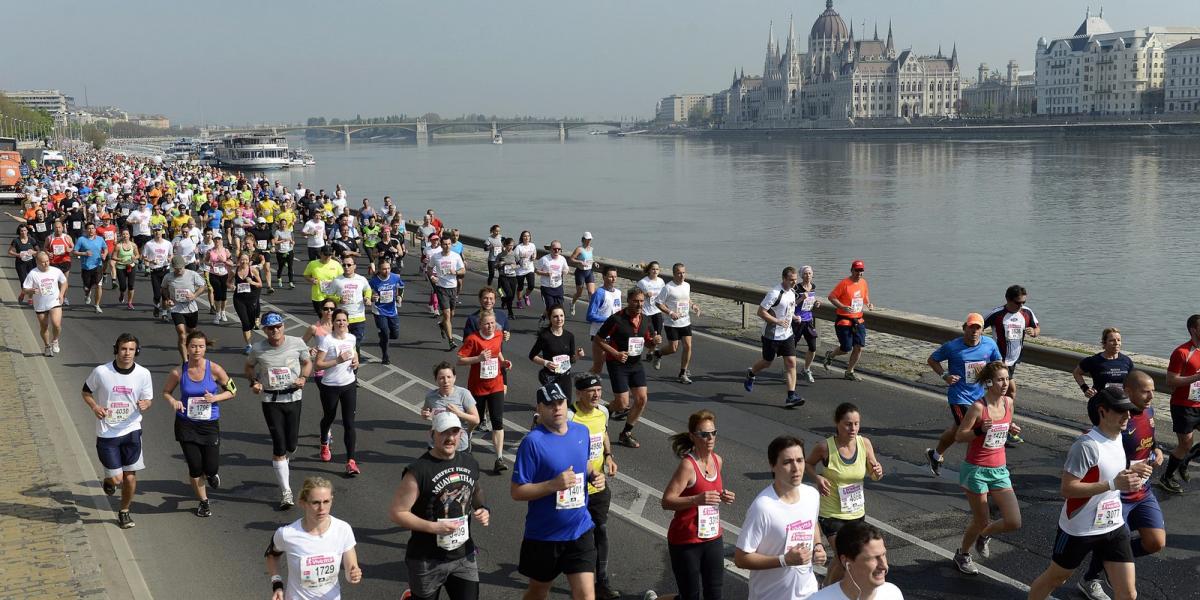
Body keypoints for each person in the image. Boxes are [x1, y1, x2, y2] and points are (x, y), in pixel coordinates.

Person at [1026, 388, 1147, 600]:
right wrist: (1113, 484)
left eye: (1129, 411)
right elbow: (1067, 489)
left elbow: (1108, 472)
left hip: (1113, 525)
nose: (1128, 416)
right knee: (1056, 578)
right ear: (1102, 411)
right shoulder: (1086, 446)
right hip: (1080, 529)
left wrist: (1131, 473)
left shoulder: (1119, 437)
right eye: (1121, 411)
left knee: (1128, 593)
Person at [511, 382, 606, 600]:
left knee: (586, 595)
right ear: (539, 408)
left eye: (561, 402)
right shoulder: (533, 443)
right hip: (545, 536)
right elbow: (517, 491)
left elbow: (585, 463)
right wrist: (553, 485)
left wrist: (594, 475)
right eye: (550, 404)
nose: (557, 408)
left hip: (580, 529)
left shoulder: (581, 432)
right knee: (538, 592)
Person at [1078, 371, 1166, 600]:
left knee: (1155, 542)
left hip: (1143, 491)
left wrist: (1157, 450)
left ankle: (1112, 565)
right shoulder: (1116, 421)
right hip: (1116, 495)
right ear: (1128, 391)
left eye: (1153, 391)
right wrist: (1127, 470)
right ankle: (1091, 578)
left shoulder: (1149, 412)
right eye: (1145, 391)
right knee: (1116, 544)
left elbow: (1150, 440)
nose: (1151, 397)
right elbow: (1101, 458)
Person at [389, 413, 490, 600]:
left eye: (455, 432)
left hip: (463, 555)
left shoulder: (469, 462)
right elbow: (397, 513)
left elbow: (475, 490)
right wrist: (433, 527)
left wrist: (482, 508)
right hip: (427, 559)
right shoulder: (418, 470)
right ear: (432, 434)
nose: (450, 438)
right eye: (444, 432)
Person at [649, 409, 735, 600]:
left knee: (715, 593)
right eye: (704, 434)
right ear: (693, 437)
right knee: (689, 596)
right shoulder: (688, 465)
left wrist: (723, 495)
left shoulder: (717, 460)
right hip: (686, 540)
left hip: (713, 536)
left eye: (713, 433)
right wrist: (696, 500)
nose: (710, 438)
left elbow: (710, 490)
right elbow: (667, 501)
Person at [733, 436, 827, 600]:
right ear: (772, 465)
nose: (796, 468)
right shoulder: (763, 507)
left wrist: (818, 545)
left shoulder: (811, 495)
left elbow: (812, 523)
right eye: (787, 462)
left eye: (800, 460)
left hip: (808, 593)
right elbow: (741, 559)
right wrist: (784, 560)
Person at [951, 361, 1023, 575]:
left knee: (1014, 521)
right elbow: (959, 436)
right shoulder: (978, 407)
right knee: (981, 519)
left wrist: (1011, 428)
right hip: (976, 470)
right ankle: (962, 554)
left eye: (1007, 379)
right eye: (1000, 379)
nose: (1004, 383)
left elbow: (1003, 428)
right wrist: (979, 430)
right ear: (990, 382)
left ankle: (984, 535)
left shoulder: (1008, 403)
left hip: (999, 469)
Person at [804, 403, 883, 586]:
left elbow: (873, 471)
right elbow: (808, 464)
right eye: (848, 424)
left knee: (843, 557)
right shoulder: (825, 447)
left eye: (856, 424)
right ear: (837, 423)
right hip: (831, 514)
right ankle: (830, 593)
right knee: (847, 556)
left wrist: (877, 471)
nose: (853, 428)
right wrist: (817, 478)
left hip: (856, 511)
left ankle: (826, 587)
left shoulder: (864, 443)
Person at [82, 333, 154, 529]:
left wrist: (146, 404)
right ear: (116, 349)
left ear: (137, 352)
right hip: (108, 432)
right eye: (123, 349)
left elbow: (148, 399)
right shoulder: (101, 372)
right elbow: (86, 392)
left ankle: (124, 511)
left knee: (130, 476)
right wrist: (95, 407)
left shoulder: (143, 374)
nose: (127, 353)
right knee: (116, 478)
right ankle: (109, 479)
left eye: (131, 349)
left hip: (132, 430)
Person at [161, 330, 235, 518]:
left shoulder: (215, 369)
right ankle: (203, 502)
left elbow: (233, 391)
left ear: (205, 348)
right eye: (193, 346)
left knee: (210, 467)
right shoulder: (178, 372)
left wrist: (215, 397)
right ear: (187, 348)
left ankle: (211, 474)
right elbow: (166, 391)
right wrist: (173, 402)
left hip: (209, 424)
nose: (196, 350)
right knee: (195, 468)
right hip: (186, 424)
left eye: (200, 346)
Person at [246, 312, 313, 510]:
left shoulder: (297, 343)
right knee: (279, 446)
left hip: (293, 397)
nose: (275, 330)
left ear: (283, 326)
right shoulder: (258, 349)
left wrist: (303, 378)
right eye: (270, 328)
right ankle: (286, 492)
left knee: (291, 444)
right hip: (271, 400)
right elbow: (249, 367)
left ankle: (286, 457)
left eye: (278, 326)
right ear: (264, 330)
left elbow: (307, 362)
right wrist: (254, 382)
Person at [925, 313, 1002, 476]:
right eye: (971, 327)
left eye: (977, 327)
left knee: (957, 430)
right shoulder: (952, 347)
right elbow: (932, 360)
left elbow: (997, 364)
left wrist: (994, 384)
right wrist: (945, 376)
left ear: (982, 330)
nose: (974, 331)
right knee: (973, 431)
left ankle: (936, 455)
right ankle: (974, 468)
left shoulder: (989, 344)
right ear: (964, 328)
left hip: (979, 396)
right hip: (959, 397)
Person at [569, 374, 622, 600]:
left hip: (598, 486)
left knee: (600, 530)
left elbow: (604, 433)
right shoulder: (570, 416)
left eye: (599, 391)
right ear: (579, 393)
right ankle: (572, 576)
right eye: (591, 391)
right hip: (573, 488)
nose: (596, 395)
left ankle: (601, 580)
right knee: (573, 535)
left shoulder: (603, 412)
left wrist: (609, 456)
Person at [266, 477, 362, 600]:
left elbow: (350, 570)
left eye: (326, 501)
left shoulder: (343, 529)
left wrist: (354, 575)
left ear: (332, 500)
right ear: (303, 503)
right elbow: (272, 555)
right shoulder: (287, 534)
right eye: (315, 502)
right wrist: (277, 584)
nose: (322, 508)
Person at [595, 287, 662, 448]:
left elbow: (648, 342)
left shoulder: (646, 319)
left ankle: (626, 433)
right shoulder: (616, 319)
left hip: (635, 364)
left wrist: (654, 341)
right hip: (617, 363)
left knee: (641, 399)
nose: (639, 304)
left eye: (641, 301)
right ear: (628, 301)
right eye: (636, 301)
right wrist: (616, 353)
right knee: (622, 403)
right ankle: (601, 412)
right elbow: (599, 339)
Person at [457, 311, 511, 472]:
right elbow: (459, 360)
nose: (490, 327)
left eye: (493, 323)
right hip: (477, 387)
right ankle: (467, 438)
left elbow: (497, 352)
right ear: (480, 324)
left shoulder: (498, 335)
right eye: (487, 324)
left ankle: (499, 458)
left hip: (496, 385)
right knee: (475, 420)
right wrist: (478, 359)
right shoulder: (473, 339)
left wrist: (504, 362)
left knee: (497, 421)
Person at [743, 267, 804, 408]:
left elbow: (787, 310)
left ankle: (791, 396)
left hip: (787, 334)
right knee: (767, 362)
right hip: (772, 335)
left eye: (795, 280)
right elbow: (761, 312)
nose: (794, 283)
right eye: (791, 280)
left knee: (791, 363)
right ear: (783, 279)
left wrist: (794, 317)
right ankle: (751, 373)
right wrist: (777, 321)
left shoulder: (792, 292)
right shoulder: (775, 293)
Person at [314, 309, 362, 476]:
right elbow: (318, 364)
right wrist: (337, 361)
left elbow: (354, 353)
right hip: (330, 386)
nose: (341, 323)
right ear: (333, 323)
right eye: (338, 320)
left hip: (349, 384)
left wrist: (356, 360)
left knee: (349, 423)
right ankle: (324, 442)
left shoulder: (351, 337)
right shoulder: (327, 340)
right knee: (329, 417)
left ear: (348, 322)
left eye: (344, 320)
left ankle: (351, 461)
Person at [806, 522, 903, 600]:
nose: (884, 566)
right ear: (846, 561)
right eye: (873, 558)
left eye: (883, 555)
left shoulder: (893, 593)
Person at [1158, 313, 1200, 493]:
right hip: (1183, 406)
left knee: (1187, 447)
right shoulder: (1182, 352)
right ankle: (1166, 477)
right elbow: (1170, 380)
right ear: (1193, 330)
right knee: (1185, 444)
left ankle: (1184, 462)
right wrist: (1197, 376)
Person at [823, 260, 874, 381]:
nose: (859, 273)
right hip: (844, 321)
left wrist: (869, 303)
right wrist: (842, 306)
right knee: (846, 348)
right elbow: (831, 297)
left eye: (861, 270)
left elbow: (864, 296)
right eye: (857, 270)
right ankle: (831, 355)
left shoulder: (863, 282)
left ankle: (850, 371)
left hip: (858, 320)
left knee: (859, 347)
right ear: (851, 270)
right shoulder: (844, 283)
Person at [652, 262, 701, 384]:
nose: (682, 275)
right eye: (679, 273)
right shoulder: (668, 287)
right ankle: (658, 354)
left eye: (683, 273)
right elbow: (658, 303)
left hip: (685, 321)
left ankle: (682, 373)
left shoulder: (687, 285)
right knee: (673, 348)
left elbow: (686, 298)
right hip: (671, 323)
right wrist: (670, 313)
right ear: (674, 274)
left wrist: (693, 305)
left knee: (688, 346)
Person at [1076, 327, 1135, 424]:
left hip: (1120, 405)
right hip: (1100, 405)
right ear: (1104, 343)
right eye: (1112, 340)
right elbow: (1077, 373)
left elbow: (1132, 381)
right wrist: (1085, 388)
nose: (1116, 343)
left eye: (1119, 340)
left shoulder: (1126, 361)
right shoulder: (1094, 361)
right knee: (1102, 435)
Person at [982, 285, 1041, 379]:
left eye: (1024, 302)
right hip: (998, 358)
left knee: (1003, 389)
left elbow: (1037, 328)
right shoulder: (996, 313)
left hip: (1014, 358)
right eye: (1018, 302)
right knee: (1008, 389)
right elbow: (978, 326)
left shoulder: (1027, 312)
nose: (1021, 305)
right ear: (1008, 299)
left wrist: (1034, 332)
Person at [422, 362, 481, 453]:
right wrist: (424, 414)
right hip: (436, 444)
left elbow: (476, 420)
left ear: (454, 378)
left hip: (459, 445)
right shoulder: (430, 396)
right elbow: (425, 411)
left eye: (449, 377)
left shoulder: (463, 394)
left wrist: (459, 413)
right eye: (441, 378)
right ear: (436, 380)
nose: (446, 381)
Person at [162, 255, 208, 362]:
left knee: (192, 333)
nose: (179, 271)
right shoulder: (168, 277)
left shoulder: (192, 274)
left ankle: (192, 351)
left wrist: (194, 295)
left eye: (181, 268)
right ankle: (185, 361)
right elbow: (163, 289)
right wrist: (168, 299)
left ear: (184, 266)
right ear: (173, 267)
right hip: (176, 308)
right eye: (176, 269)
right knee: (182, 334)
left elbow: (203, 286)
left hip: (191, 308)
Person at [530, 305, 586, 389]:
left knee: (566, 402)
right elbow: (532, 356)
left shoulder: (569, 336)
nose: (559, 319)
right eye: (555, 316)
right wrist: (546, 363)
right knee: (555, 402)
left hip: (565, 377)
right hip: (550, 377)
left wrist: (578, 356)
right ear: (550, 318)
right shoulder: (545, 336)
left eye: (561, 315)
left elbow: (571, 360)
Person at [22, 251, 67, 357]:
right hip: (40, 304)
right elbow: (24, 289)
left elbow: (64, 282)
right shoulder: (33, 274)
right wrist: (31, 291)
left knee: (56, 324)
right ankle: (47, 346)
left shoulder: (56, 271)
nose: (46, 264)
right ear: (37, 262)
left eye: (47, 261)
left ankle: (55, 340)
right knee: (44, 327)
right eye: (43, 262)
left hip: (54, 301)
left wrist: (61, 294)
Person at [429, 236, 466, 349]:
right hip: (441, 287)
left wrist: (456, 271)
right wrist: (432, 277)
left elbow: (463, 270)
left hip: (453, 287)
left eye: (449, 244)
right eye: (445, 244)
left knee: (451, 315)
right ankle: (451, 341)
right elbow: (429, 268)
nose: (447, 246)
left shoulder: (455, 256)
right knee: (447, 313)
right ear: (441, 245)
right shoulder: (436, 257)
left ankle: (442, 324)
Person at [330, 256, 373, 356]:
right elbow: (329, 295)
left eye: (349, 265)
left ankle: (354, 367)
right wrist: (339, 299)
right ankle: (344, 364)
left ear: (354, 266)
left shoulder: (361, 279)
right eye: (344, 265)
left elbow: (368, 289)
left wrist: (367, 297)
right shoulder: (337, 280)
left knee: (356, 344)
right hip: (343, 319)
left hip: (358, 318)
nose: (346, 267)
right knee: (344, 344)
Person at [585, 267, 623, 375]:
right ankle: (583, 383)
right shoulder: (599, 293)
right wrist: (609, 320)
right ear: (604, 277)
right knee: (598, 367)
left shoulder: (618, 293)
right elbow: (590, 315)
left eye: (615, 276)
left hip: (614, 335)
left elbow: (618, 312)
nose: (613, 279)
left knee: (617, 364)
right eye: (610, 276)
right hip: (600, 335)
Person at [368, 257, 405, 364]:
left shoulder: (395, 277)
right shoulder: (374, 281)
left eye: (388, 268)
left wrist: (400, 296)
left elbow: (401, 286)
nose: (387, 271)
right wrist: (372, 298)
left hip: (392, 310)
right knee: (385, 333)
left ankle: (383, 339)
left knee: (395, 335)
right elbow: (367, 293)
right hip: (379, 311)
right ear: (379, 269)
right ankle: (385, 356)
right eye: (384, 269)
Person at [230, 252, 264, 354]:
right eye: (242, 259)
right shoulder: (234, 271)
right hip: (239, 299)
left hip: (251, 299)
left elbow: (260, 284)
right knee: (245, 322)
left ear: (249, 260)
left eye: (246, 259)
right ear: (239, 260)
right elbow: (228, 282)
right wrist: (231, 286)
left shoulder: (253, 270)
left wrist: (252, 282)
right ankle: (249, 345)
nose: (244, 261)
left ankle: (250, 331)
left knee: (251, 323)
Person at [793, 266, 821, 384]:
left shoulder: (812, 286)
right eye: (805, 273)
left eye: (809, 273)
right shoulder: (796, 288)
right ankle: (790, 369)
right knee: (791, 347)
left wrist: (816, 302)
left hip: (808, 320)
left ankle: (806, 369)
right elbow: (790, 304)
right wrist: (800, 299)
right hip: (797, 321)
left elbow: (811, 300)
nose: (808, 275)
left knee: (813, 346)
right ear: (801, 275)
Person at [73, 221, 108, 313]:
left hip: (98, 266)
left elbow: (105, 248)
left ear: (95, 229)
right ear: (85, 230)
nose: (91, 230)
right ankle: (87, 294)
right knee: (86, 287)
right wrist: (84, 253)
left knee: (98, 285)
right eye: (89, 228)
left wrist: (104, 254)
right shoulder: (81, 239)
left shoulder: (100, 239)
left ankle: (97, 305)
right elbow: (74, 252)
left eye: (92, 228)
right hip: (86, 267)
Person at [535, 240, 569, 327]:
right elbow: (536, 270)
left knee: (559, 308)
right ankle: (552, 327)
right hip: (547, 287)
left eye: (559, 249)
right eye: (554, 249)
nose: (557, 251)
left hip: (558, 286)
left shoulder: (562, 259)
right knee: (551, 308)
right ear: (550, 249)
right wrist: (545, 274)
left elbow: (566, 269)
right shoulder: (544, 259)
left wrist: (565, 271)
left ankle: (544, 316)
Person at [303, 246, 343, 315]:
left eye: (329, 255)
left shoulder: (336, 264)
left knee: (333, 317)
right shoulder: (313, 264)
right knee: (322, 316)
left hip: (332, 295)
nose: (327, 257)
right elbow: (306, 275)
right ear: (321, 254)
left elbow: (342, 278)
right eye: (326, 254)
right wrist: (311, 279)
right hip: (318, 295)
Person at [143, 225, 172, 318]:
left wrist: (169, 258)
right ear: (152, 232)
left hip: (165, 270)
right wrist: (151, 261)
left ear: (162, 231)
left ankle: (164, 313)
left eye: (159, 230)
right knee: (157, 294)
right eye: (155, 230)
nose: (157, 232)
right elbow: (143, 257)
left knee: (165, 294)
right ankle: (156, 306)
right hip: (155, 271)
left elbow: (171, 255)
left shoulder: (168, 243)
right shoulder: (149, 244)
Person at [205, 234, 232, 324]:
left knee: (223, 295)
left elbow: (231, 262)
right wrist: (210, 264)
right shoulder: (210, 251)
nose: (217, 241)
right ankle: (217, 314)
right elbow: (205, 261)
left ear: (221, 240)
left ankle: (223, 312)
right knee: (217, 293)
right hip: (214, 274)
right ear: (213, 240)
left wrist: (224, 261)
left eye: (219, 239)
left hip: (224, 274)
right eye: (215, 239)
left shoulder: (226, 251)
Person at [9, 224, 38, 305]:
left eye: (25, 230)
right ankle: (23, 293)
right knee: (24, 281)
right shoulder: (16, 241)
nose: (23, 232)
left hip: (31, 263)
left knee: (32, 281)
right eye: (21, 231)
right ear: (19, 232)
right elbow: (10, 252)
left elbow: (38, 251)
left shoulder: (31, 240)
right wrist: (18, 255)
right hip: (20, 264)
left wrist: (33, 252)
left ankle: (30, 298)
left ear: (27, 231)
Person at [569, 232, 596, 315]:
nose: (588, 241)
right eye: (587, 239)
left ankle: (591, 312)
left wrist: (595, 263)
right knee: (579, 293)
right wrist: (579, 262)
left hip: (589, 272)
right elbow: (571, 259)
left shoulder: (591, 249)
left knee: (592, 293)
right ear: (583, 239)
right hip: (580, 273)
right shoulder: (579, 249)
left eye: (590, 239)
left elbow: (590, 259)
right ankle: (572, 303)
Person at [637, 261, 666, 339]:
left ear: (659, 271)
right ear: (649, 270)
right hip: (646, 312)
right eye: (653, 269)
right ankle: (651, 350)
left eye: (657, 269)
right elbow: (635, 295)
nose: (655, 271)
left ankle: (653, 351)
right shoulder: (643, 282)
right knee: (651, 335)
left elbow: (664, 295)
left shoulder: (661, 281)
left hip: (657, 311)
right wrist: (645, 294)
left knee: (658, 335)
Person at [112, 229, 140, 310]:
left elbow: (138, 255)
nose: (125, 236)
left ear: (129, 235)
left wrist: (135, 257)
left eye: (126, 234)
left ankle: (130, 303)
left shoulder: (133, 245)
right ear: (121, 236)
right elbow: (113, 257)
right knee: (123, 286)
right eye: (123, 234)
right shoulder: (118, 246)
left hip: (131, 266)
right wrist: (120, 259)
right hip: (121, 267)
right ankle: (122, 293)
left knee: (131, 285)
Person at [496, 237, 519, 318]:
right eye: (509, 245)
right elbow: (495, 265)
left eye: (512, 245)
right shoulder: (500, 255)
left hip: (513, 277)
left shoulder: (515, 254)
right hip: (503, 277)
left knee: (512, 296)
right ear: (505, 245)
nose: (510, 247)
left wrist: (515, 266)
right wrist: (499, 264)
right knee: (508, 294)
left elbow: (519, 264)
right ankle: (510, 312)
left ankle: (504, 302)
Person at [514, 230, 537, 309]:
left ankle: (526, 295)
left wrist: (534, 257)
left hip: (530, 268)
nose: (527, 237)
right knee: (520, 287)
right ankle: (519, 301)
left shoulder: (532, 245)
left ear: (530, 237)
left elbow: (534, 253)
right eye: (525, 236)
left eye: (528, 236)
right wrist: (520, 261)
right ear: (522, 237)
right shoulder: (518, 247)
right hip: (520, 270)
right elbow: (515, 258)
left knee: (531, 285)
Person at [272, 220, 297, 289]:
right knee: (281, 267)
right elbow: (275, 242)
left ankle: (290, 282)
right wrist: (282, 241)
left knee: (290, 267)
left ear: (286, 225)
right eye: (282, 224)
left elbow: (292, 241)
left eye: (285, 224)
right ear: (279, 224)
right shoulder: (277, 232)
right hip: (280, 252)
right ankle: (279, 278)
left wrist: (292, 242)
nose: (283, 225)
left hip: (289, 251)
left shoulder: (289, 231)